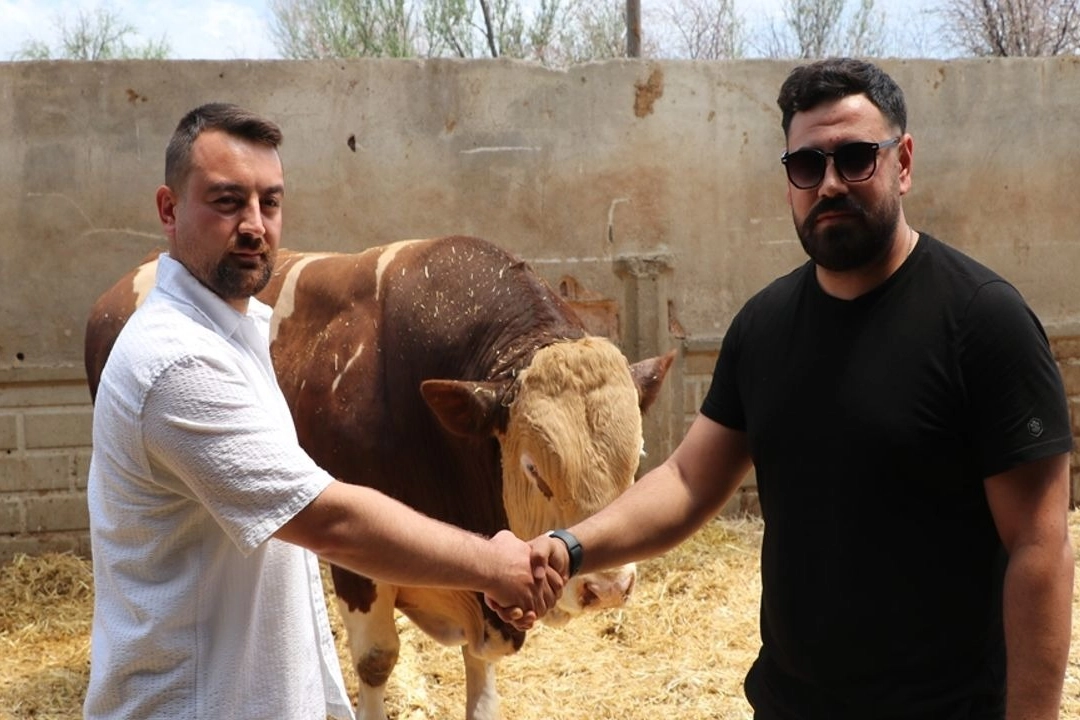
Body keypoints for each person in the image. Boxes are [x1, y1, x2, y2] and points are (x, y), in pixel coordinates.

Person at [517, 58, 1074, 719]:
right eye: (807, 165)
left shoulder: (984, 322)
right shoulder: (763, 327)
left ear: (903, 163)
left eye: (856, 158)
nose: (829, 183)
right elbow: (689, 481)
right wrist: (570, 546)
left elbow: (1039, 547)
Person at [84, 102, 560, 720]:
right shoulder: (176, 363)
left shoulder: (236, 333)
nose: (254, 225)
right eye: (227, 202)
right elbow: (329, 522)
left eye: (270, 202)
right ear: (169, 210)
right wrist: (492, 565)